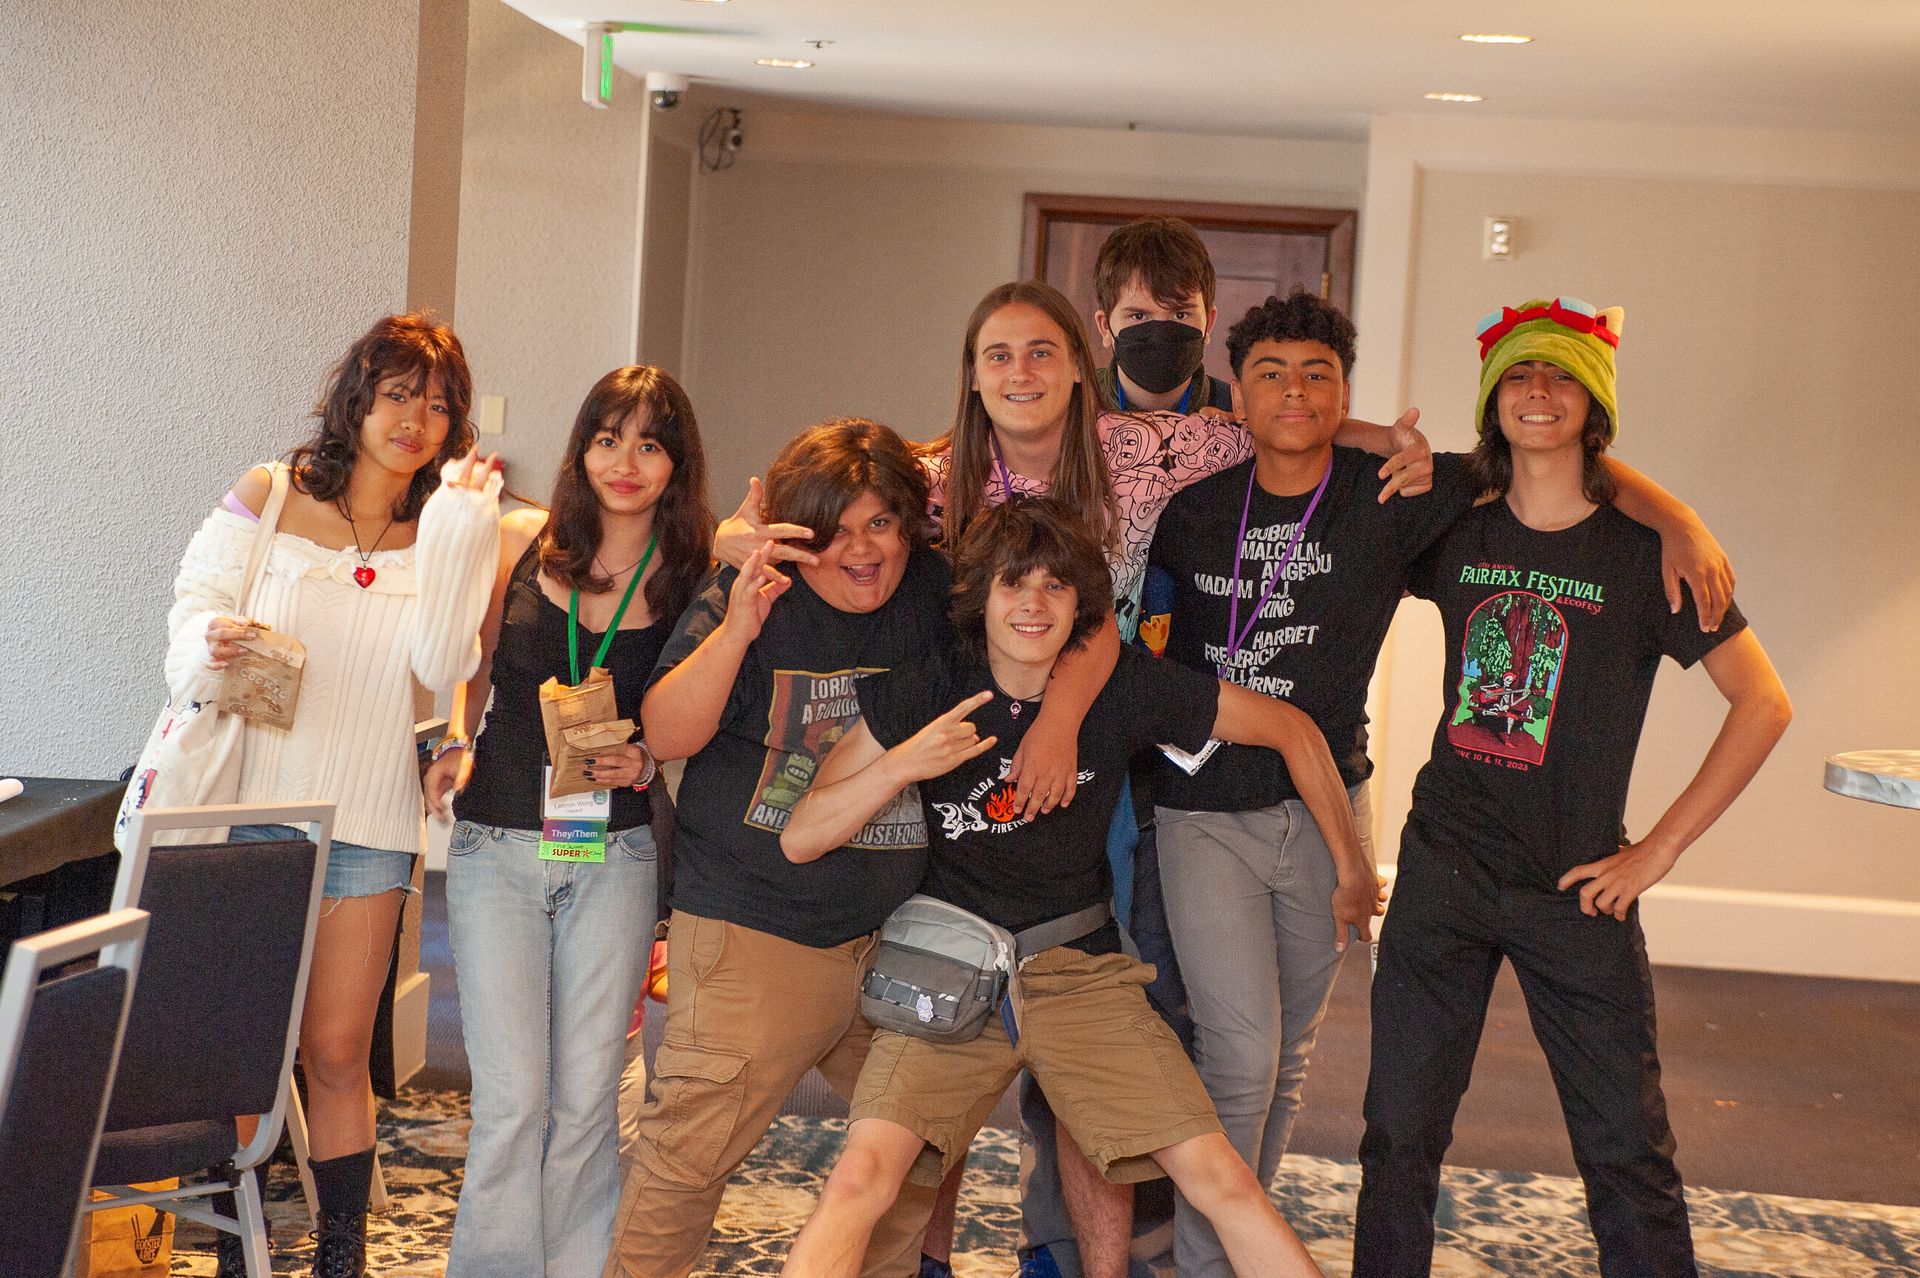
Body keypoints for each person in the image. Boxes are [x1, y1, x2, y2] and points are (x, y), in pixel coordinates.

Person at [1144, 290, 1737, 1278]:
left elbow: (1555, 460)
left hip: (1457, 840)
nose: (1295, 391)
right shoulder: (1251, 511)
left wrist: (1675, 517)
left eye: (1318, 373)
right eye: (1271, 374)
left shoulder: (1572, 539)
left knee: (1612, 1147)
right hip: (1329, 840)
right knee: (1320, 1098)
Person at [776, 498, 1364, 1278]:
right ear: (980, 596)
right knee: (860, 1175)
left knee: (1221, 1176)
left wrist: (1352, 865)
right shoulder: (933, 686)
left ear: (1079, 606)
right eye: (1014, 585)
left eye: (1055, 588)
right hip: (952, 970)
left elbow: (1292, 727)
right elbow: (800, 834)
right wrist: (901, 765)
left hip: (1080, 973)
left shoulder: (1122, 687)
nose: (1032, 605)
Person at [1351, 299, 1790, 1276]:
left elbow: (1763, 704)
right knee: (1397, 1142)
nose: (1539, 393)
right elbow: (1317, 440)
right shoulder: (1455, 519)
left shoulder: (1651, 559)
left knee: (1627, 1156)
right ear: (1490, 400)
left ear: (1596, 406)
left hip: (1577, 889)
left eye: (1562, 378)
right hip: (1444, 876)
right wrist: (1387, 438)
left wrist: (1659, 850)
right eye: (1518, 376)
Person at [169, 312, 500, 1277]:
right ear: (357, 395)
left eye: (438, 406)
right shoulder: (266, 495)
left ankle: (340, 1260)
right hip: (244, 806)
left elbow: (446, 662)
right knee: (245, 1048)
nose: (415, 420)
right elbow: (190, 610)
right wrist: (212, 641)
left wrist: (460, 533)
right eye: (398, 393)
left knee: (339, 1051)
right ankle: (243, 1253)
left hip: (367, 816)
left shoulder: (447, 523)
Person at [603, 418, 949, 1278]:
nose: (859, 552)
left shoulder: (936, 593)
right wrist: (739, 627)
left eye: (880, 524)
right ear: (797, 538)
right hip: (756, 930)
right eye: (834, 532)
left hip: (891, 933)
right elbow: (667, 734)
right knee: (687, 1161)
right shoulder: (753, 592)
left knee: (919, 1154)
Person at [424, 366, 714, 1275]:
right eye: (607, 438)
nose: (626, 462)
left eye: (650, 444)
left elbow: (701, 711)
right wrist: (455, 735)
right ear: (581, 448)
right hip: (496, 844)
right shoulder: (518, 537)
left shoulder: (694, 576)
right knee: (513, 1099)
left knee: (589, 1097)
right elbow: (457, 648)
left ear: (677, 464)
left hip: (615, 853)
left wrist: (652, 758)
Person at [1090, 214, 1235, 415]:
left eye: (1180, 315)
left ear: (1209, 323)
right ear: (1105, 327)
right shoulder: (1070, 408)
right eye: (1139, 316)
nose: (1160, 333)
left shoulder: (1241, 415)